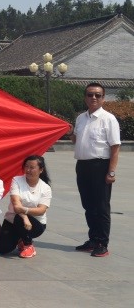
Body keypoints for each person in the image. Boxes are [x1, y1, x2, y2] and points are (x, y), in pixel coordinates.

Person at [71, 82, 121, 257]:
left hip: (100, 166)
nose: (94, 98)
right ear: (85, 97)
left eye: (98, 95)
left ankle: (102, 243)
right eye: (90, 94)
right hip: (82, 166)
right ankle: (93, 239)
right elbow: (76, 140)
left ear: (103, 98)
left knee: (101, 207)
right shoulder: (80, 118)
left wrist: (111, 172)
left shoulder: (108, 119)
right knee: (88, 205)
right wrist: (68, 131)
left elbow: (115, 147)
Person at [0, 155, 53, 258]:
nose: (28, 170)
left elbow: (41, 210)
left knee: (19, 218)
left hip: (35, 224)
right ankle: (21, 238)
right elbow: (16, 204)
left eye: (32, 167)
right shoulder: (17, 180)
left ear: (41, 170)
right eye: (26, 166)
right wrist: (25, 217)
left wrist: (25, 211)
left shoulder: (45, 188)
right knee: (2, 248)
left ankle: (28, 244)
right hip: (13, 220)